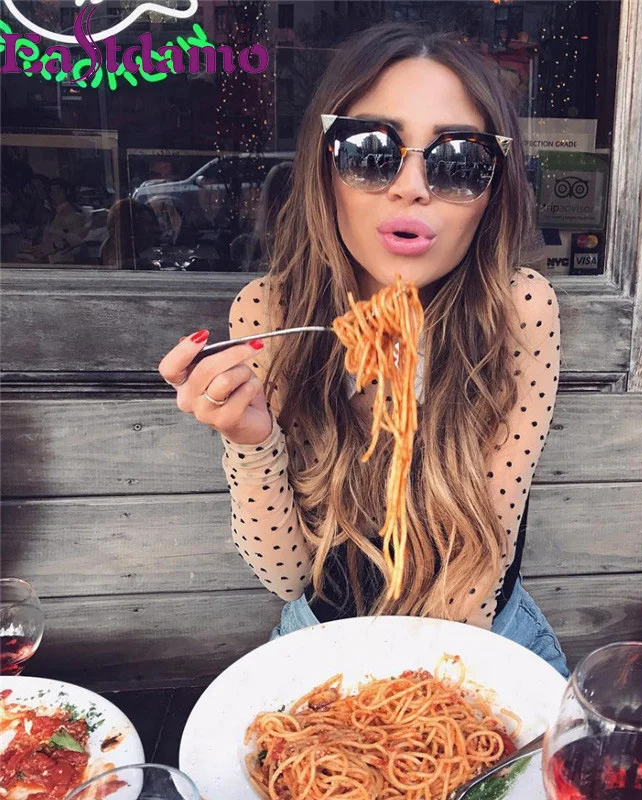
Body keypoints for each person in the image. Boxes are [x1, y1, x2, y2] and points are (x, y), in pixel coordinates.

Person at [158, 23, 567, 677]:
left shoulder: (516, 310)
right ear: (325, 169)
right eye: (371, 152)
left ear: (492, 192)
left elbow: (478, 566)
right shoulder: (271, 314)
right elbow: (289, 576)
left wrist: (412, 711)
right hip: (324, 639)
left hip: (481, 641)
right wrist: (249, 438)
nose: (411, 186)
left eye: (457, 161)